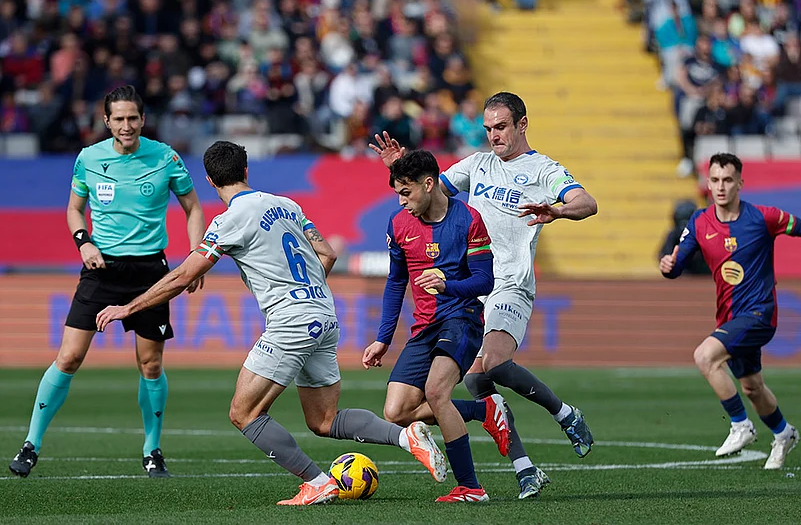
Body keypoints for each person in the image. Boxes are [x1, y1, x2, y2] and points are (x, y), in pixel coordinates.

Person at [96, 141, 447, 505]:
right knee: (324, 420)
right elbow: (327, 253)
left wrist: (128, 308)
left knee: (243, 412)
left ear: (209, 182)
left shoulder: (229, 221)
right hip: (324, 314)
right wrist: (308, 296)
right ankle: (405, 437)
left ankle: (317, 482)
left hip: (292, 321)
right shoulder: (287, 205)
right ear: (246, 171)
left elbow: (183, 275)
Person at [370, 91, 598, 499]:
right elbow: (428, 190)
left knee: (489, 364)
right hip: (472, 287)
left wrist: (559, 210)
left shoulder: (543, 169)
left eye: (501, 127)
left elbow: (587, 202)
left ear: (522, 124)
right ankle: (526, 469)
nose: (493, 136)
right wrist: (402, 170)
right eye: (488, 128)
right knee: (476, 382)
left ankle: (563, 413)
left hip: (510, 281)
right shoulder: (477, 165)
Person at [9, 85, 206, 479]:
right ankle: (31, 444)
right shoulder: (89, 158)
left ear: (143, 119)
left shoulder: (165, 158)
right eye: (119, 119)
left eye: (133, 118)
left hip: (152, 272)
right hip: (101, 270)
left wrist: (196, 256)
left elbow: (193, 207)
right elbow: (74, 210)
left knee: (150, 364)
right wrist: (83, 244)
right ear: (106, 121)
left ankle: (152, 450)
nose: (127, 125)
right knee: (68, 357)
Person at [362, 150, 502, 503]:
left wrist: (447, 285)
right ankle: (483, 409)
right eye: (397, 193)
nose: (400, 201)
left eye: (405, 193)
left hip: (462, 318)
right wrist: (382, 339)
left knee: (437, 392)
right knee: (396, 412)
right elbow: (396, 283)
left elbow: (485, 281)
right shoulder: (398, 224)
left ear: (429, 184)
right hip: (424, 328)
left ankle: (471, 487)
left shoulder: (469, 219)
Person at [660, 152, 799, 470]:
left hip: (760, 313)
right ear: (708, 183)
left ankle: (741, 426)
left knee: (705, 356)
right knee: (752, 387)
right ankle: (783, 433)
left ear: (740, 183)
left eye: (727, 180)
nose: (721, 187)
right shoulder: (699, 221)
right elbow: (677, 266)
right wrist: (667, 265)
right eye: (715, 180)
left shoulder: (764, 217)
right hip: (730, 317)